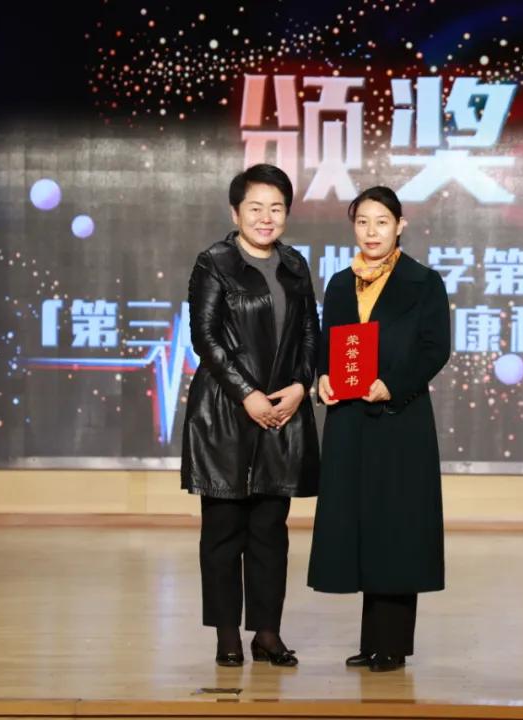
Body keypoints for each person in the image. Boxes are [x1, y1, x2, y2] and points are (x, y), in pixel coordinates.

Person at [181, 163, 319, 667]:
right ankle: (226, 637)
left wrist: (301, 386)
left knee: (270, 534)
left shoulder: (295, 265)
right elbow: (205, 338)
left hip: (282, 414)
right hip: (226, 415)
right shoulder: (214, 262)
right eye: (256, 208)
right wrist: (247, 394)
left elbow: (310, 333)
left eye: (276, 208)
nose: (266, 218)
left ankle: (266, 633)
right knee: (222, 533)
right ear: (235, 212)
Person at [308, 186, 451, 672]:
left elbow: (435, 349)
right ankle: (371, 641)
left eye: (382, 222)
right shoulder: (339, 283)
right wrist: (323, 377)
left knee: (397, 527)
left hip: (399, 419)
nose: (372, 232)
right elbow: (327, 344)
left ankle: (392, 645)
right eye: (363, 222)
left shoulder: (423, 282)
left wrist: (393, 385)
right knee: (362, 525)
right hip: (350, 420)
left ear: (400, 226)